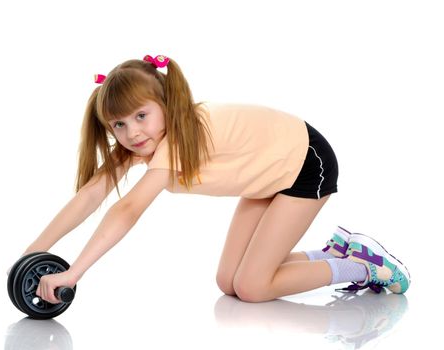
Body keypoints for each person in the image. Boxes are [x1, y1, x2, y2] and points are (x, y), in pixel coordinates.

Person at [23, 54, 410, 305]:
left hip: (304, 163)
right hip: (265, 176)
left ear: (165, 105)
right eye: (119, 125)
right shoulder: (139, 146)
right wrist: (32, 253)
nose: (132, 132)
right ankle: (334, 253)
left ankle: (367, 267)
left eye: (141, 116)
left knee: (254, 287)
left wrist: (75, 272)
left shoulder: (177, 136)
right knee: (230, 282)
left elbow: (127, 209)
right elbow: (91, 195)